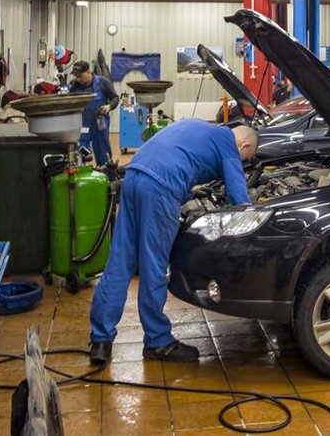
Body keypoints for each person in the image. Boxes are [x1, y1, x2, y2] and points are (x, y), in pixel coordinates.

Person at [88, 121, 259, 364]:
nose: (242, 162)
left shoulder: (203, 129)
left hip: (134, 176)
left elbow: (178, 157)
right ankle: (158, 341)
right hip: (160, 188)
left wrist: (190, 191)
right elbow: (238, 197)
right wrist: (255, 216)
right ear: (245, 146)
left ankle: (100, 340)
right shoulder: (228, 143)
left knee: (120, 260)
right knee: (154, 265)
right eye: (245, 159)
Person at [70, 61, 118, 165]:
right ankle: (80, 172)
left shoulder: (103, 82)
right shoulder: (74, 86)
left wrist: (109, 106)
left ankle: (105, 171)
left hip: (100, 123)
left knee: (103, 150)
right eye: (76, 77)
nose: (78, 79)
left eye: (80, 76)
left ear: (88, 72)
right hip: (83, 124)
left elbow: (115, 98)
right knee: (80, 152)